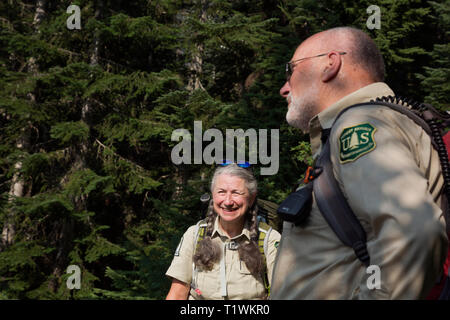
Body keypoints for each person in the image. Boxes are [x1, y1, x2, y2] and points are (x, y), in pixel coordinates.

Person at [270, 27, 448, 299]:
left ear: (330, 64)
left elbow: (414, 233)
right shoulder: (387, 120)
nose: (284, 88)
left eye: (290, 70)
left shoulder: (359, 125)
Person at [165, 163, 281, 300]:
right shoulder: (194, 235)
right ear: (213, 195)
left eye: (236, 193)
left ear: (251, 198)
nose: (228, 201)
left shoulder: (269, 240)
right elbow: (178, 293)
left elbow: (284, 294)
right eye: (221, 192)